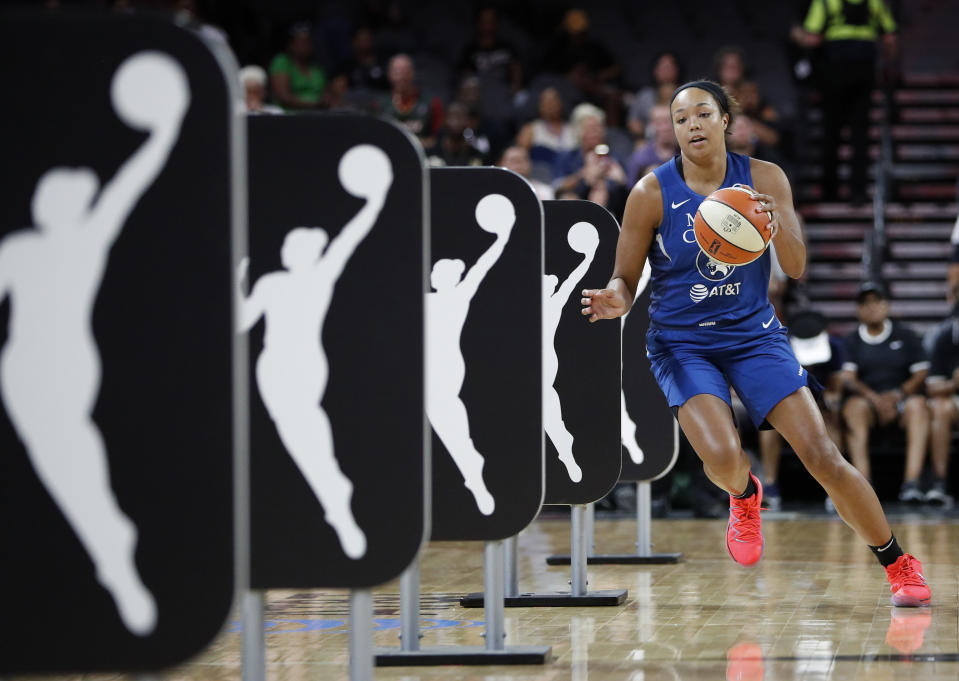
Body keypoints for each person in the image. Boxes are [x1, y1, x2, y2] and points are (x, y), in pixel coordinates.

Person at [581, 79, 930, 607]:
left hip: (753, 336)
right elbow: (624, 281)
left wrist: (773, 226)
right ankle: (745, 495)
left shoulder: (764, 177)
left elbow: (795, 266)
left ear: (726, 119)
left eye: (702, 114)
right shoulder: (651, 192)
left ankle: (899, 562)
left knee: (821, 454)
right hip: (681, 343)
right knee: (721, 456)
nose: (691, 125)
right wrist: (614, 299)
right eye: (680, 119)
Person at [791, 0, 897, 204]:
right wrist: (889, 68)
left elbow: (813, 38)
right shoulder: (875, 2)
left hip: (834, 74)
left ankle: (829, 191)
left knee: (831, 134)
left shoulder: (825, 2)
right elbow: (890, 38)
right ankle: (858, 192)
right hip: (864, 73)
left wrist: (797, 36)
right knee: (860, 136)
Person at [841, 282, 930, 503]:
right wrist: (875, 399)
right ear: (858, 310)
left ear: (887, 306)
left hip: (901, 400)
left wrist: (897, 395)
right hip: (868, 402)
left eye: (877, 301)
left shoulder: (906, 336)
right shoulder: (851, 341)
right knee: (853, 408)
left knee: (918, 406)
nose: (872, 307)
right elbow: (849, 378)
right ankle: (863, 485)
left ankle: (912, 483)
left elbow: (921, 373)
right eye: (865, 303)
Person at [759, 309, 846, 511]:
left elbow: (836, 388)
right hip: (787, 405)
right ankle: (770, 486)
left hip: (823, 409)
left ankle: (835, 489)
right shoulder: (780, 348)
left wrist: (832, 399)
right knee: (769, 428)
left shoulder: (835, 347)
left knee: (831, 428)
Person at [921, 285, 959, 507]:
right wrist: (953, 383)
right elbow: (931, 387)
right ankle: (939, 482)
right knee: (940, 408)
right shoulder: (945, 337)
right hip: (953, 399)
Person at [378, 53, 444, 152]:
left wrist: (410, 144)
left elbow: (438, 140)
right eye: (397, 72)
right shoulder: (379, 105)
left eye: (405, 72)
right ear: (390, 75)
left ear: (412, 73)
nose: (401, 77)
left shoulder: (432, 103)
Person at [269, 22, 327, 111]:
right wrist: (314, 104)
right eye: (301, 42)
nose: (306, 46)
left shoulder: (316, 66)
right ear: (291, 44)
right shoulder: (282, 62)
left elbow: (326, 93)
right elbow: (283, 96)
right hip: (290, 116)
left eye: (308, 42)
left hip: (318, 115)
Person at [626, 51, 682, 143]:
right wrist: (645, 135)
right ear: (655, 70)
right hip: (650, 141)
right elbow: (633, 122)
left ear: (677, 69)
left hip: (680, 140)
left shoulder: (686, 93)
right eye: (663, 67)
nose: (666, 70)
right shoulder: (645, 95)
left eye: (670, 67)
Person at [625, 104, 678, 188]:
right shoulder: (641, 157)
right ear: (652, 125)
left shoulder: (686, 153)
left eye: (669, 121)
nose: (666, 127)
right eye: (660, 122)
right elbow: (630, 189)